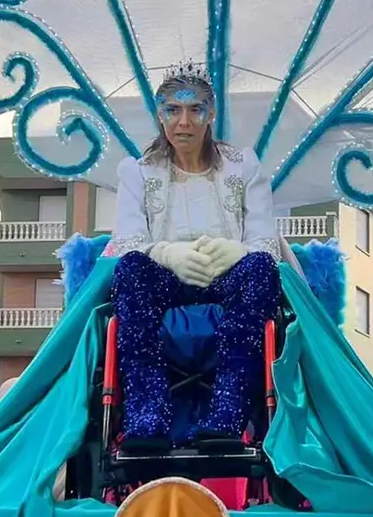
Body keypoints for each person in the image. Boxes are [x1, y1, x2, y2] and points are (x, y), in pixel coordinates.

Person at [106, 61, 281, 453]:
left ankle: (228, 412)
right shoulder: (137, 172)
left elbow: (265, 242)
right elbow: (129, 241)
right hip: (164, 279)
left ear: (211, 113)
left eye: (195, 109)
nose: (183, 122)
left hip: (229, 277)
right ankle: (146, 415)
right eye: (172, 110)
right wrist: (167, 252)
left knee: (261, 271)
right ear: (159, 115)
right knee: (131, 271)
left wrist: (238, 252)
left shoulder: (244, 165)